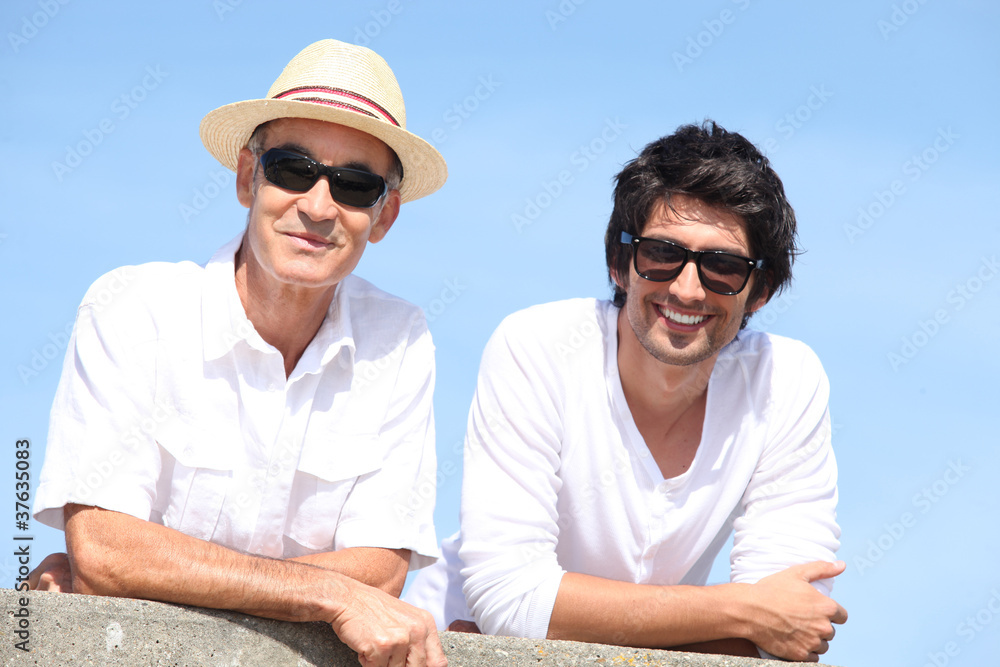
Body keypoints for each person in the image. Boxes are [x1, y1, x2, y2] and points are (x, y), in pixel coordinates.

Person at [31, 39, 449, 667]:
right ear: (247, 178)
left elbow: (383, 574)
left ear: (383, 216)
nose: (316, 206)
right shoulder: (131, 307)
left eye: (355, 185)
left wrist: (163, 570)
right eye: (291, 170)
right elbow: (107, 552)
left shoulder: (401, 339)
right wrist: (327, 592)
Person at [405, 121, 847, 662]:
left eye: (723, 267)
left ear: (760, 292)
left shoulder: (786, 380)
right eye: (662, 253)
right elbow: (509, 604)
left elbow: (788, 628)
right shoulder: (539, 346)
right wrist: (742, 609)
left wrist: (751, 618)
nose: (687, 288)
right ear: (620, 264)